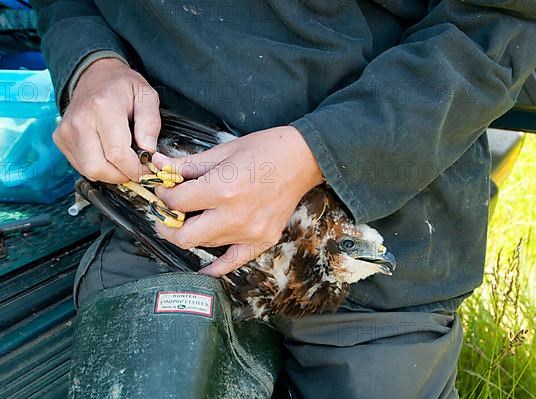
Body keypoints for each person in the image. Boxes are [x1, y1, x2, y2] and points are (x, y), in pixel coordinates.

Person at [31, 1, 536, 397]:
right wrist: (91, 63)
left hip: (380, 235)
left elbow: (500, 20)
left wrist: (321, 152)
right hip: (161, 227)